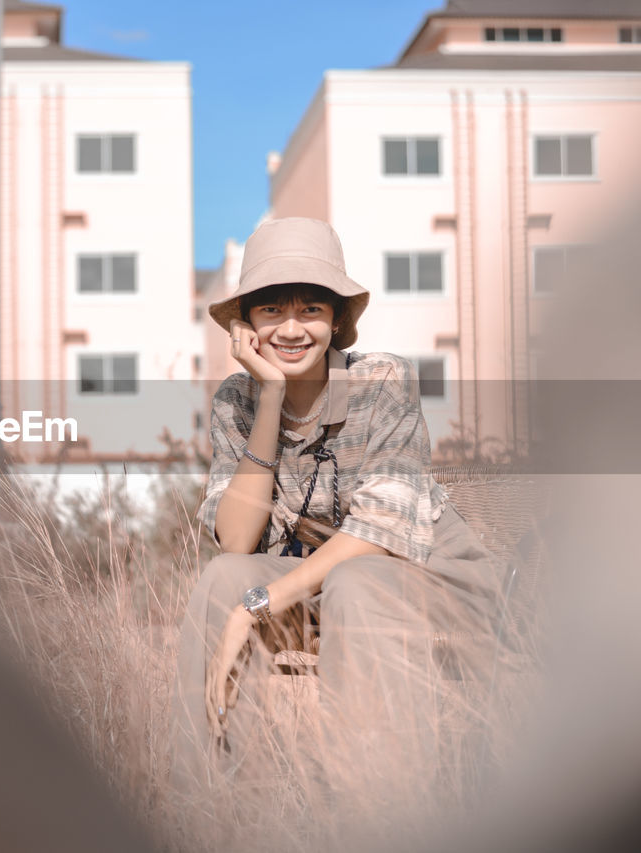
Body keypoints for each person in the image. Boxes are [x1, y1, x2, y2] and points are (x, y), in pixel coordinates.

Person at [170, 218, 503, 811]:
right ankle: (215, 811)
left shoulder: (383, 380)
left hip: (426, 579)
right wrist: (269, 397)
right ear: (245, 325)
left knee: (355, 579)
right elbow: (238, 541)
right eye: (271, 310)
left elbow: (379, 533)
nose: (292, 329)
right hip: (319, 594)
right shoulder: (235, 400)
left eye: (311, 309)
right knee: (224, 580)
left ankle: (377, 814)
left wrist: (259, 608)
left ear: (335, 320)